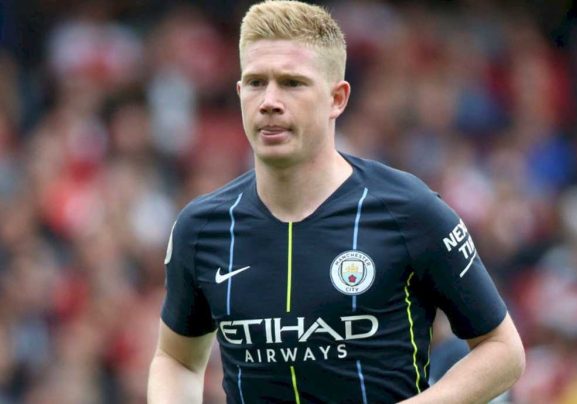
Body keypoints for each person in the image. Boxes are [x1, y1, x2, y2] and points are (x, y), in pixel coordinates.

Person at [147, 1, 526, 402]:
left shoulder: (408, 211)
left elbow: (503, 350)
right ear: (240, 92)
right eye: (256, 82)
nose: (269, 100)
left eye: (292, 83)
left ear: (337, 99)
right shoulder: (201, 228)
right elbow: (177, 360)